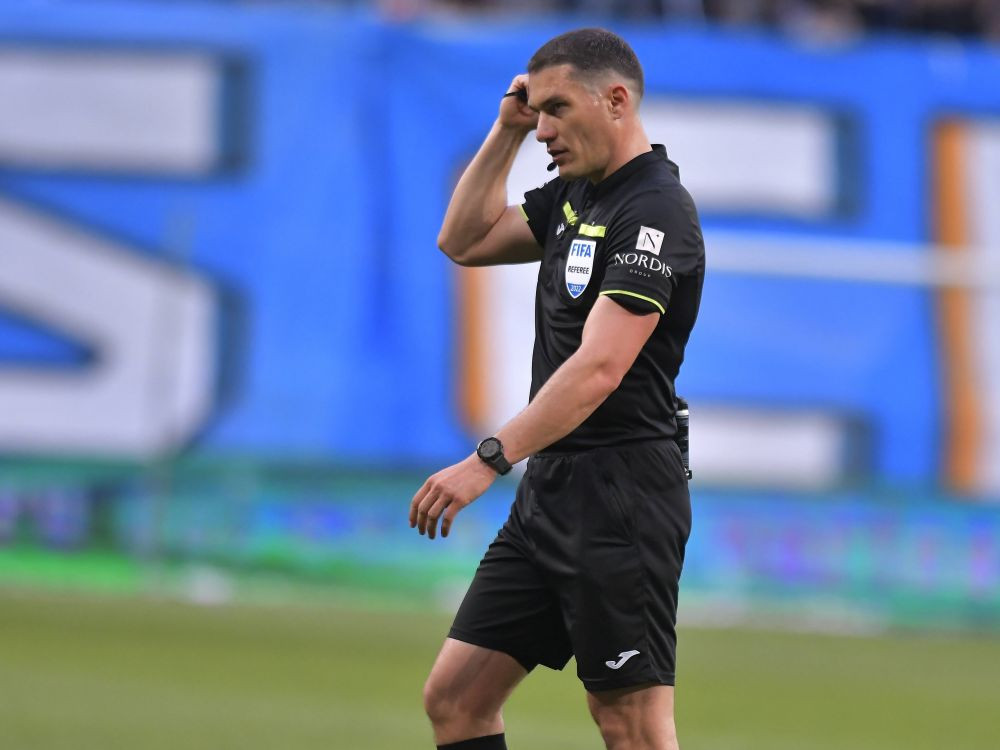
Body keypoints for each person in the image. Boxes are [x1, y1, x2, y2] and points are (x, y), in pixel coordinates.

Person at [408, 28, 705, 750]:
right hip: (554, 487)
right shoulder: (580, 195)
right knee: (456, 699)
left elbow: (599, 369)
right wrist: (506, 130)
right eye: (535, 110)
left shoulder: (655, 212)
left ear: (616, 101)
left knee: (630, 724)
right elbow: (464, 240)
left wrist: (488, 458)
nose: (543, 129)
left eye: (557, 109)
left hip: (621, 496)